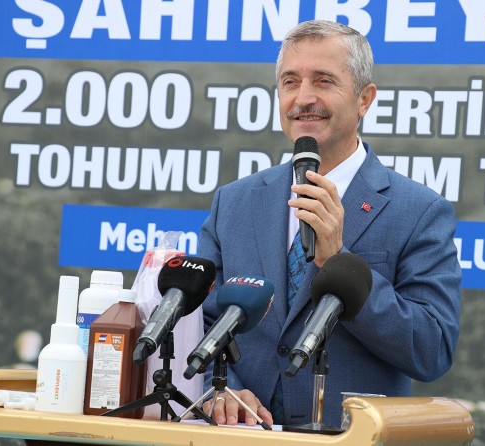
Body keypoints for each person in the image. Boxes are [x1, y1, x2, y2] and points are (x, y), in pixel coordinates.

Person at [197, 19, 461, 428]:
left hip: (348, 434)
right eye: (290, 82)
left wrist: (338, 261)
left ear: (364, 99)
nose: (303, 98)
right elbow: (201, 321)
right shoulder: (234, 202)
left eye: (323, 81)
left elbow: (431, 349)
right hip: (240, 433)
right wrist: (222, 389)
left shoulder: (419, 211)